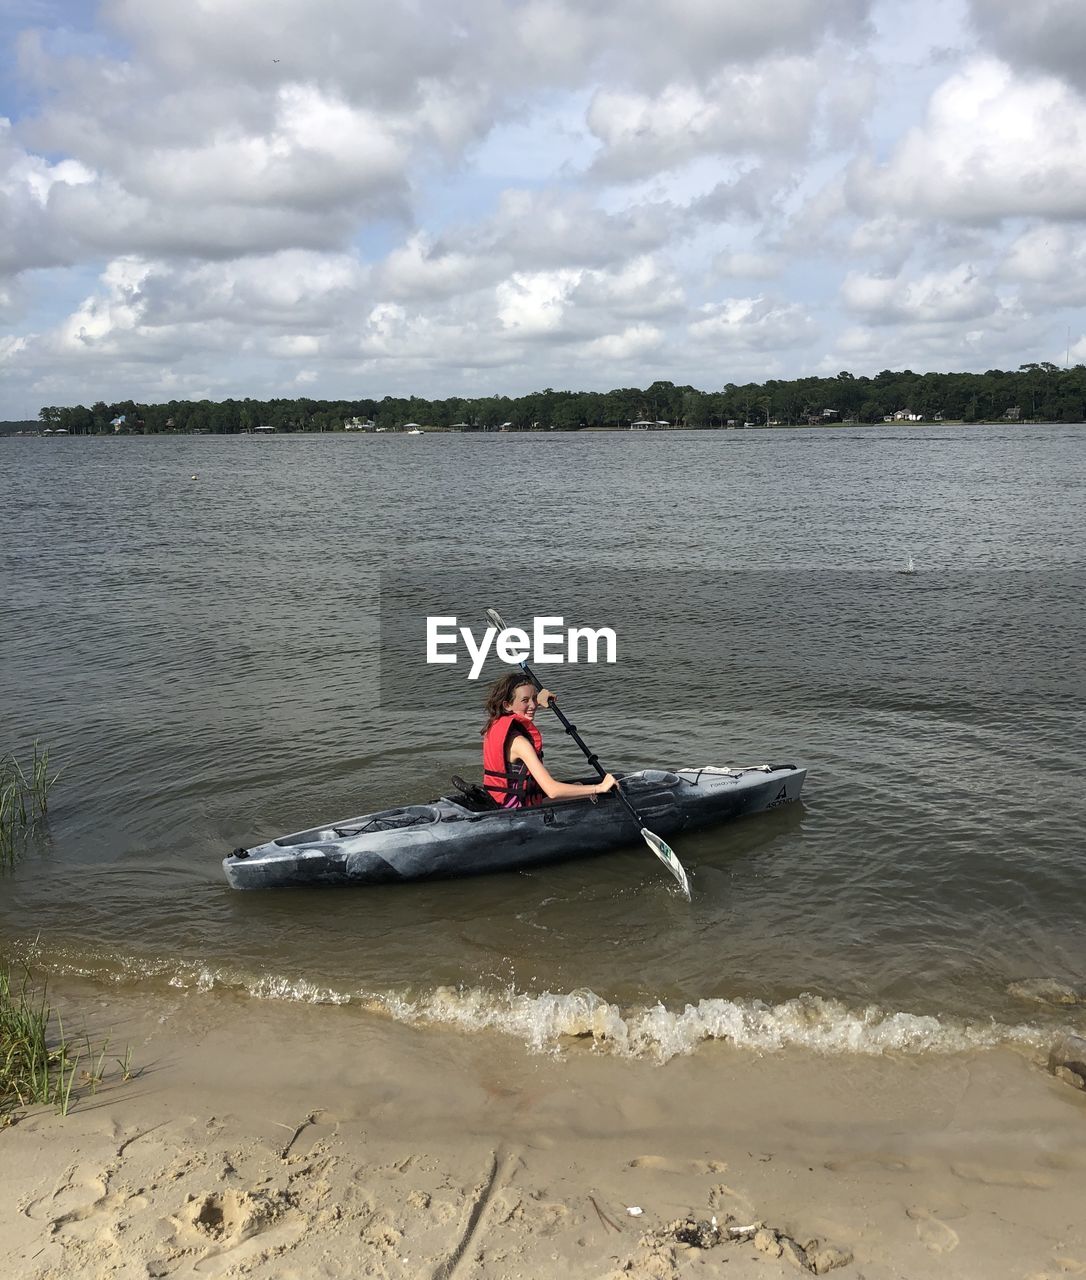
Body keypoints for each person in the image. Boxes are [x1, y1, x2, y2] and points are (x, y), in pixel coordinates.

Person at [481, 672, 617, 808]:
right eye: (525, 700)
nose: (533, 705)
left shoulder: (496, 724)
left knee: (577, 787)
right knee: (587, 793)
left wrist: (538, 699)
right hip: (517, 811)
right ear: (507, 705)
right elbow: (552, 791)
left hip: (501, 803)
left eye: (534, 699)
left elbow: (525, 705)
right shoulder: (520, 743)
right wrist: (599, 787)